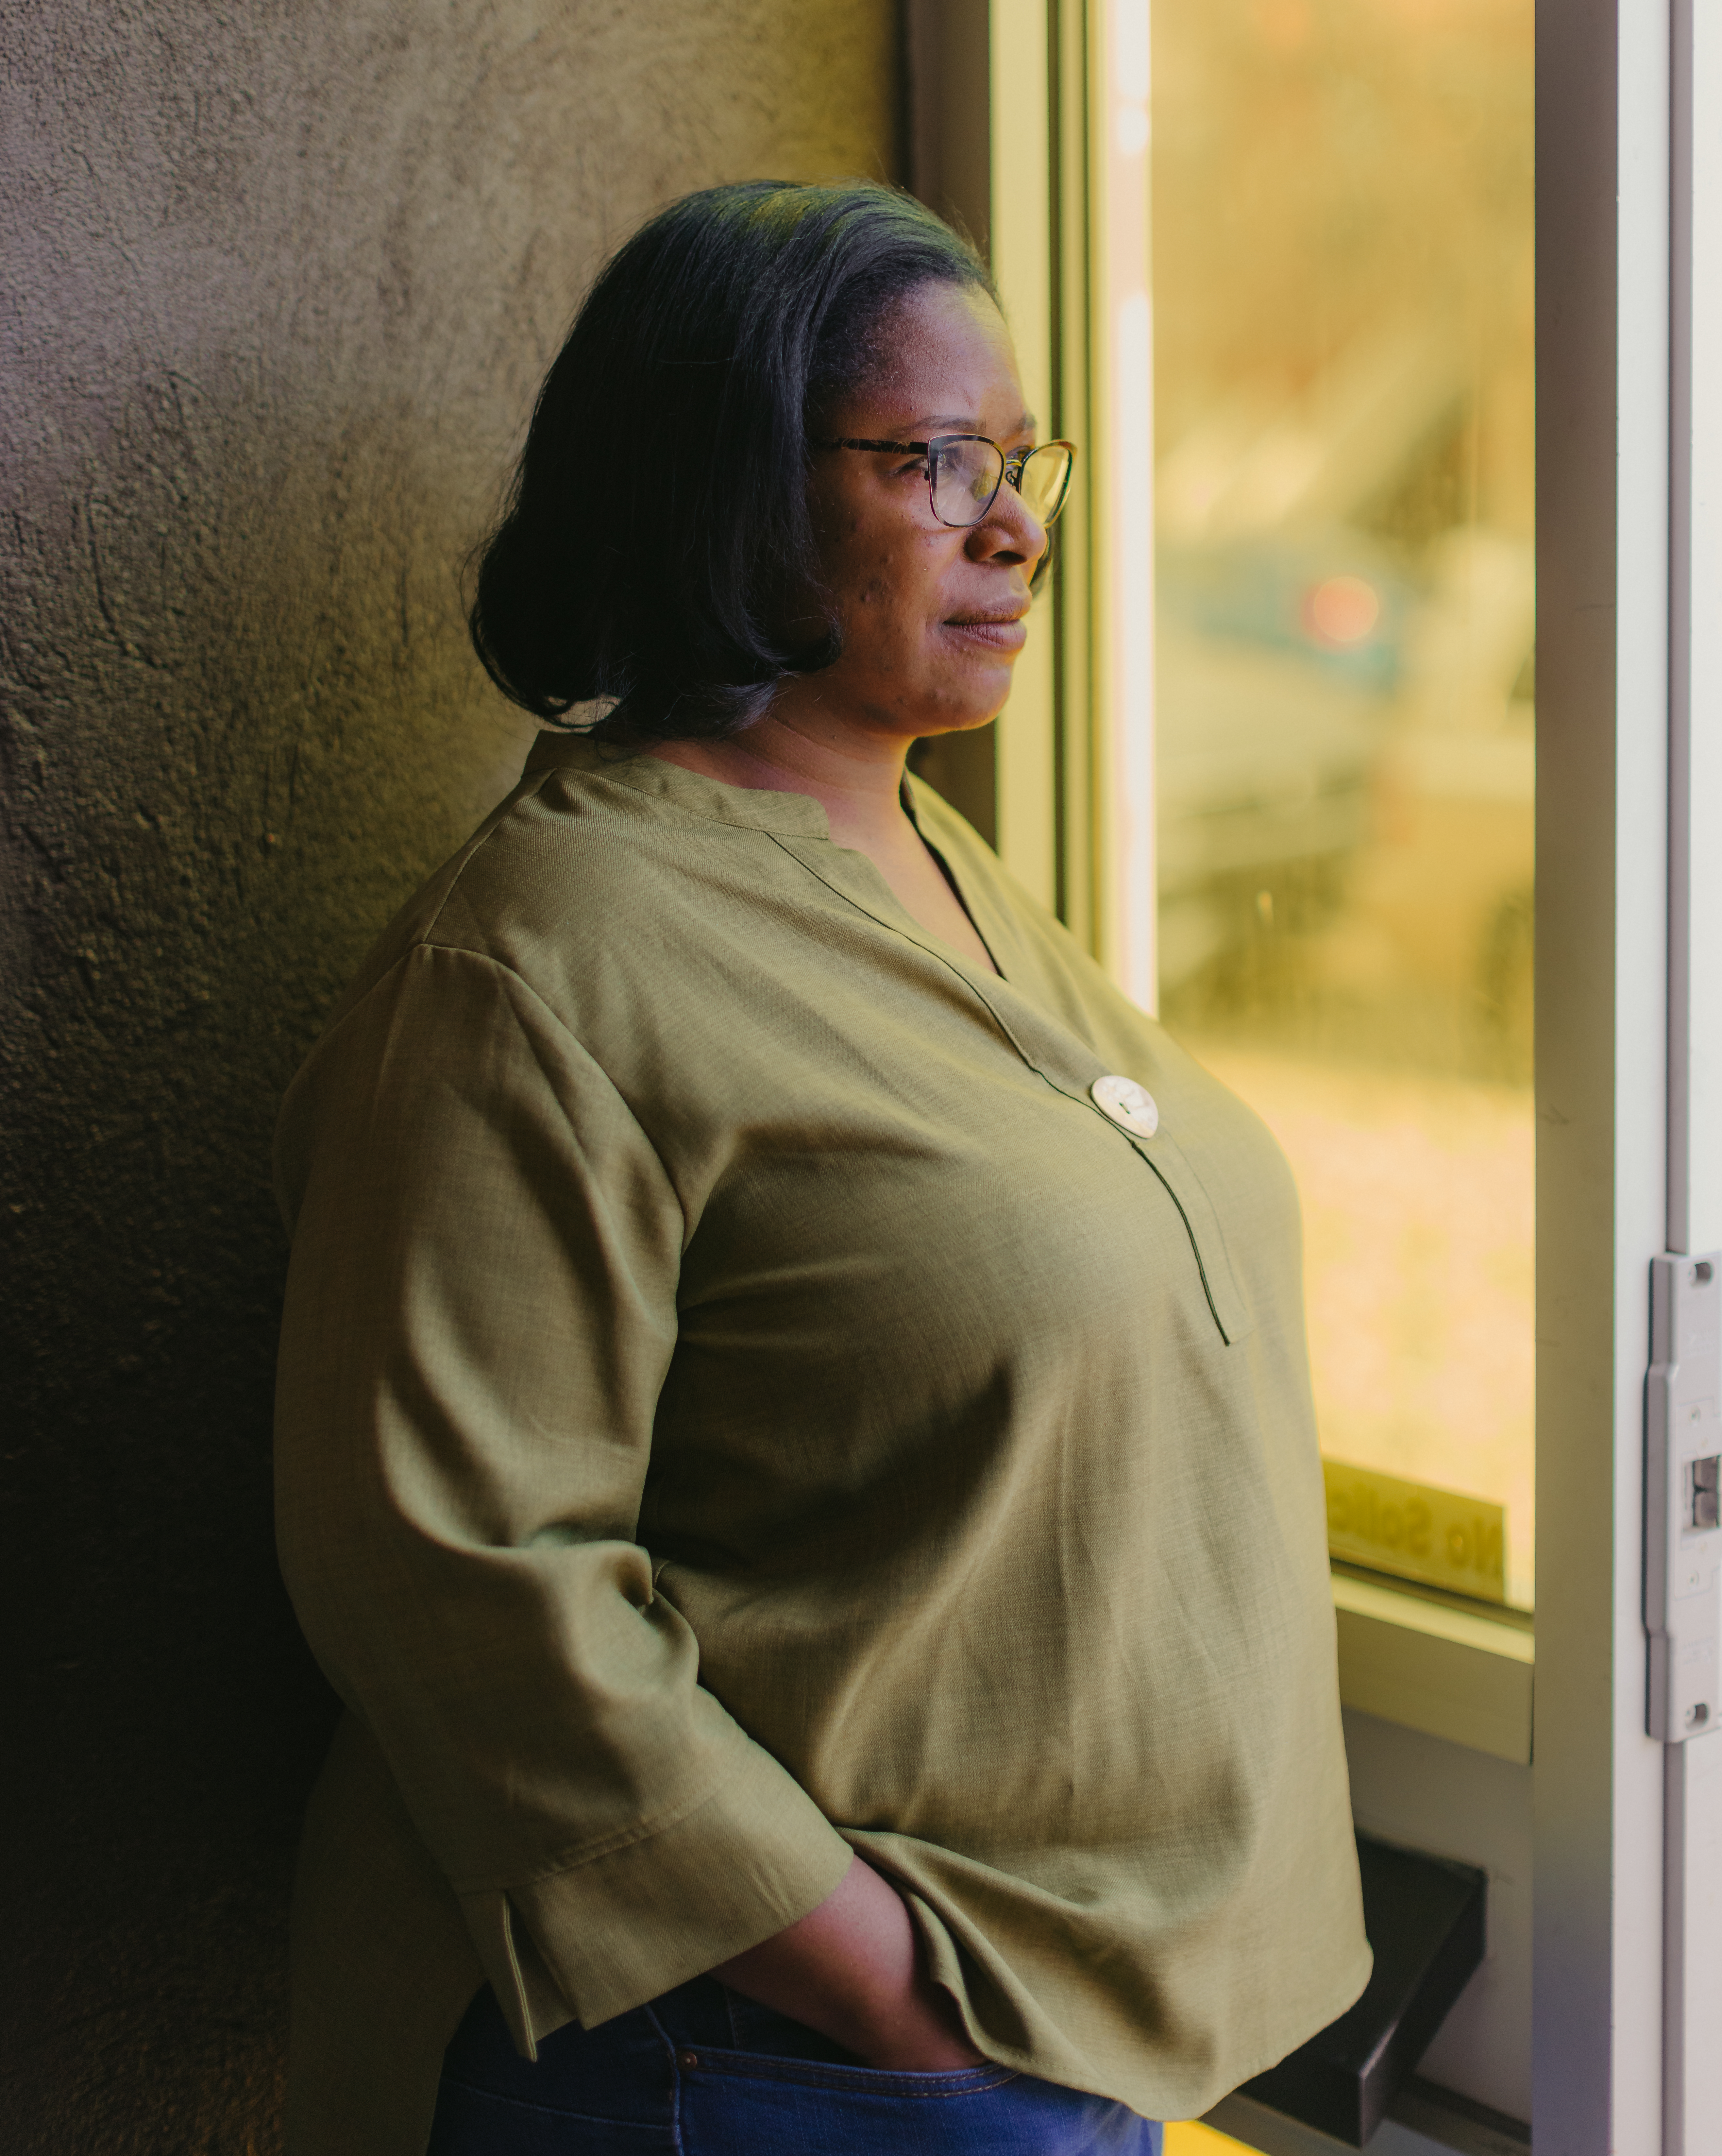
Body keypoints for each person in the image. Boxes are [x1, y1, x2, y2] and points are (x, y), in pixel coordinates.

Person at [272, 180, 1369, 2156]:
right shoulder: (543, 965)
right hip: (770, 2063)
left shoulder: (933, 860)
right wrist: (882, 1991)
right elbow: (452, 1570)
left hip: (1040, 2033)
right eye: (929, 460)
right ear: (720, 488)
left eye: (1016, 456)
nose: (1015, 521)